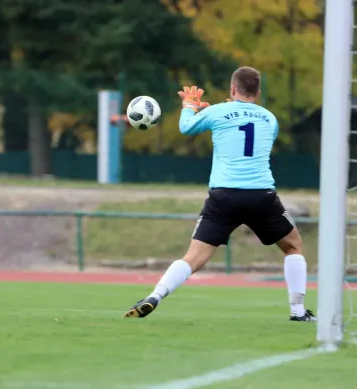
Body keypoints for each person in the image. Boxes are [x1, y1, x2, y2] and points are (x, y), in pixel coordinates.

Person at [123, 66, 315, 322]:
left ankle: (154, 296)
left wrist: (190, 105)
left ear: (232, 89)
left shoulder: (218, 111)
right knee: (293, 246)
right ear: (257, 92)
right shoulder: (270, 118)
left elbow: (186, 128)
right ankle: (298, 312)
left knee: (193, 257)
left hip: (224, 196)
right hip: (261, 195)